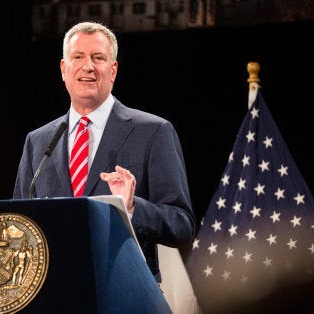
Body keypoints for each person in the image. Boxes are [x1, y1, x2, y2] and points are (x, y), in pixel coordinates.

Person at [13, 21, 196, 283]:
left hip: (124, 291)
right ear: (64, 69)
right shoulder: (38, 141)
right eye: (78, 57)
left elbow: (182, 226)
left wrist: (132, 207)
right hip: (54, 288)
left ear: (113, 70)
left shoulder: (153, 132)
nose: (87, 66)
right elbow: (20, 222)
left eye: (98, 58)